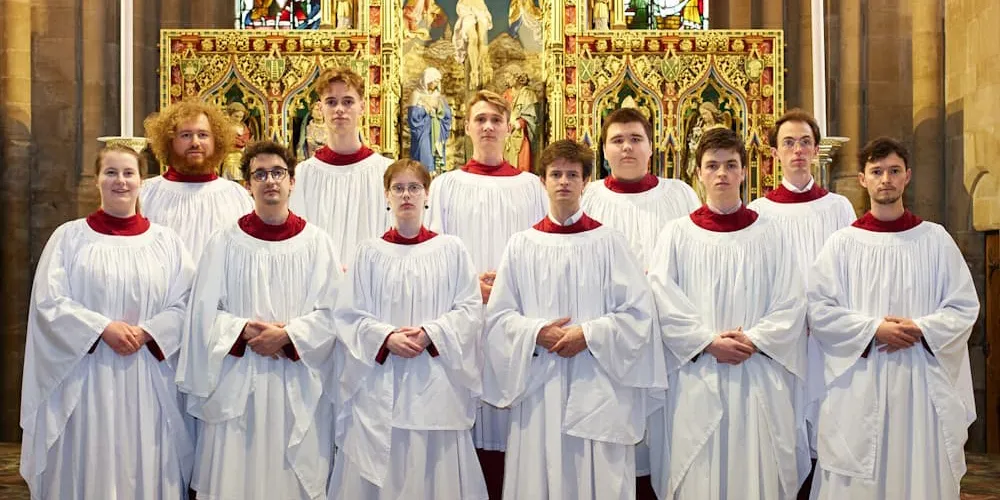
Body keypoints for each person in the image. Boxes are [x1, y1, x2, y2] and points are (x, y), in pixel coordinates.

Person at [482, 139, 667, 499]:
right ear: (543, 182)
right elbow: (499, 318)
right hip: (540, 389)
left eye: (572, 174)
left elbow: (639, 314)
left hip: (599, 383)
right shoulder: (522, 244)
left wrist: (589, 333)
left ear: (586, 183)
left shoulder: (610, 242)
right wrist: (536, 332)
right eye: (555, 174)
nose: (563, 181)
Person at [807, 137, 979, 500]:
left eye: (894, 171)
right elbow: (819, 310)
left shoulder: (935, 240)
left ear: (907, 177)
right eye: (877, 171)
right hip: (860, 381)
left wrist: (922, 329)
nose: (886, 178)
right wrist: (873, 329)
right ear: (863, 179)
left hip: (921, 383)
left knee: (919, 473)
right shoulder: (841, 244)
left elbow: (964, 306)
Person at [20, 144, 195, 499]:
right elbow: (49, 302)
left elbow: (187, 302)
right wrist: (101, 328)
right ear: (97, 180)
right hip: (87, 376)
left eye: (129, 173)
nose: (120, 181)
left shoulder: (167, 242)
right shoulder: (69, 238)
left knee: (145, 455)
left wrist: (149, 331)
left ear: (142, 181)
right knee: (91, 453)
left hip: (148, 375)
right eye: (111, 173)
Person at [177, 140, 345, 500]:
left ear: (292, 181)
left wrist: (289, 336)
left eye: (278, 173)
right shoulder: (223, 241)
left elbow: (335, 314)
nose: (270, 181)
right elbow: (201, 316)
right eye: (260, 174)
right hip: (239, 380)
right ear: (247, 184)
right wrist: (242, 330)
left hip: (297, 380)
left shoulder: (317, 243)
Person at [647, 127, 809, 500]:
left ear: (743, 172)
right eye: (712, 165)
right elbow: (661, 300)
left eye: (730, 165)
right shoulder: (676, 234)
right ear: (698, 173)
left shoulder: (771, 234)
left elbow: (791, 301)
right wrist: (706, 342)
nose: (721, 173)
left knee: (755, 470)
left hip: (757, 374)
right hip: (696, 372)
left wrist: (754, 339)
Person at [330, 159, 488, 500]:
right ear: (386, 196)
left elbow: (470, 308)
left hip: (436, 381)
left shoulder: (451, 249)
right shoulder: (368, 252)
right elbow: (347, 314)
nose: (406, 195)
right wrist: (386, 337)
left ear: (426, 194)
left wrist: (432, 332)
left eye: (414, 187)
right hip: (381, 380)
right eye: (398, 188)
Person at [426, 90, 547, 499]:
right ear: (466, 127)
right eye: (480, 119)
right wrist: (470, 286)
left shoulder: (531, 186)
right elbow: (434, 252)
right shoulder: (445, 185)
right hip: (463, 316)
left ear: (510, 126)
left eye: (497, 119)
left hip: (513, 316)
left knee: (514, 421)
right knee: (467, 417)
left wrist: (507, 288)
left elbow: (541, 250)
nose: (489, 126)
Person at [745, 109, 856, 497]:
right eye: (788, 143)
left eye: (805, 142)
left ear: (815, 149)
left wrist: (826, 317)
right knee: (784, 426)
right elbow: (755, 280)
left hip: (825, 339)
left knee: (827, 425)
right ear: (774, 153)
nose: (797, 151)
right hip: (780, 344)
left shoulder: (838, 208)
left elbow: (850, 271)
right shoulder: (759, 212)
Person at [289, 67, 393, 267]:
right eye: (331, 102)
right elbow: (299, 240)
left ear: (362, 107)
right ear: (320, 108)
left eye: (347, 101)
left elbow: (392, 234)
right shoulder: (304, 174)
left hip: (371, 283)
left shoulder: (385, 172)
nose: (339, 109)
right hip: (320, 287)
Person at [582, 108, 700, 268]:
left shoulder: (679, 194)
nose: (627, 147)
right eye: (617, 140)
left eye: (636, 139)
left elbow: (696, 256)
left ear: (651, 147)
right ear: (604, 150)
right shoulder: (587, 197)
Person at [141, 101, 254, 263]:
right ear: (169, 142)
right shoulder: (147, 193)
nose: (195, 142)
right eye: (186, 135)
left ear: (217, 141)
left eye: (203, 135)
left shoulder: (237, 196)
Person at [408, 67, 453, 175]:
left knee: (436, 158)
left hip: (437, 132)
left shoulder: (438, 97)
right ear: (428, 80)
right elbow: (413, 117)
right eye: (435, 81)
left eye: (438, 82)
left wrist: (439, 107)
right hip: (423, 133)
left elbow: (447, 114)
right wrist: (425, 109)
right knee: (425, 156)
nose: (437, 84)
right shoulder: (416, 95)